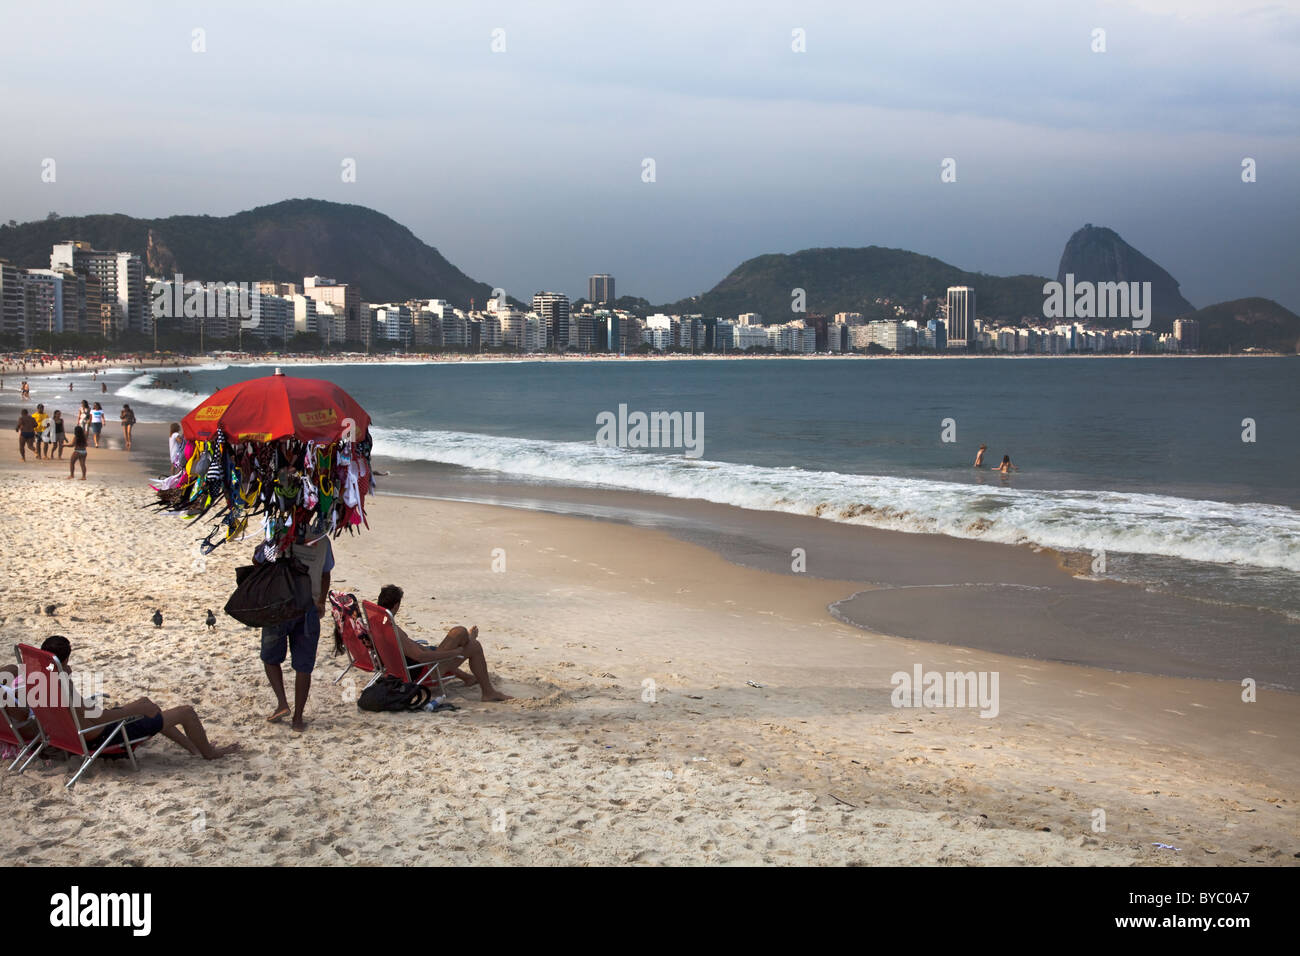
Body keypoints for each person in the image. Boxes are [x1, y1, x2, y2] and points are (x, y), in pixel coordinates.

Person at [33, 636, 238, 759]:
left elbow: (79, 713)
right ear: (67, 658)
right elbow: (96, 720)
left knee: (150, 708)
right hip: (100, 737)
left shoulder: (38, 678)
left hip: (70, 735)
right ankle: (209, 753)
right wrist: (132, 709)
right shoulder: (62, 685)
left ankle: (194, 748)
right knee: (185, 712)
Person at [374, 584, 511, 701]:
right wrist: (454, 652)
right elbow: (420, 657)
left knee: (460, 636)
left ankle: (468, 665)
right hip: (425, 671)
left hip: (401, 668)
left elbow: (411, 649)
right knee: (468, 640)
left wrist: (426, 649)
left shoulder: (376, 622)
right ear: (397, 605)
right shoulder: (392, 630)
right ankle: (488, 693)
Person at [261, 525, 334, 732]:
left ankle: (282, 703)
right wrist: (321, 601)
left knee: (270, 657)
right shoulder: (323, 540)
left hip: (279, 606)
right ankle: (298, 719)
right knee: (304, 665)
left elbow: (260, 560)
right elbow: (325, 573)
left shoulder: (277, 534)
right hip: (308, 607)